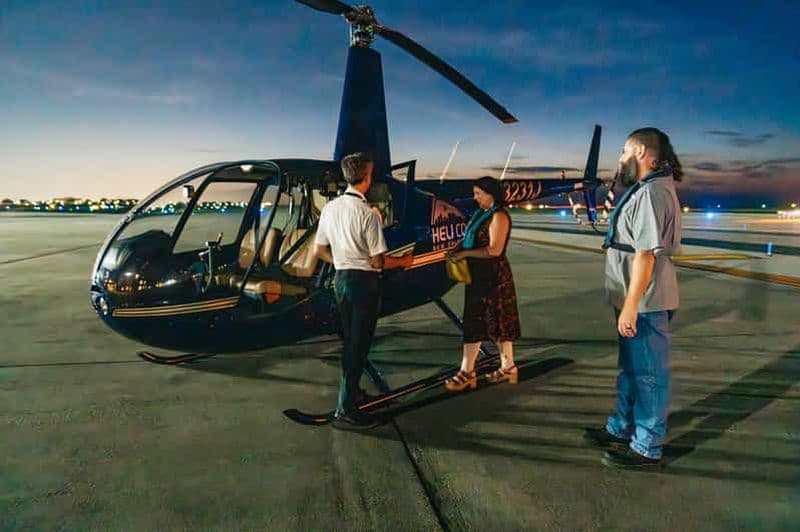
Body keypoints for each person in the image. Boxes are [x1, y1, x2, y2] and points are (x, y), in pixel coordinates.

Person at [584, 128, 683, 469]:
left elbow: (645, 255)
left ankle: (646, 446)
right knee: (630, 369)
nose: (621, 158)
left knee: (649, 375)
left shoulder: (653, 193)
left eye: (625, 151)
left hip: (644, 301)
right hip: (634, 297)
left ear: (641, 151)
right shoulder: (644, 189)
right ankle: (622, 427)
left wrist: (630, 305)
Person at [314, 152, 412, 429]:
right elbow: (378, 261)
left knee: (351, 340)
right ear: (367, 177)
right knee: (359, 345)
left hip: (341, 280)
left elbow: (319, 250)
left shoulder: (330, 208)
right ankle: (345, 411)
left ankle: (353, 392)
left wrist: (342, 261)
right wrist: (403, 261)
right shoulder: (368, 214)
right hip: (363, 284)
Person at [444, 176, 521, 391]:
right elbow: (470, 237)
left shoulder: (499, 216)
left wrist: (465, 253)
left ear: (491, 194)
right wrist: (456, 249)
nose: (475, 197)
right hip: (478, 276)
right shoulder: (481, 214)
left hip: (494, 276)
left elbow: (494, 249)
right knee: (474, 322)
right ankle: (472, 370)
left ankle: (503, 367)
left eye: (478, 193)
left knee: (498, 322)